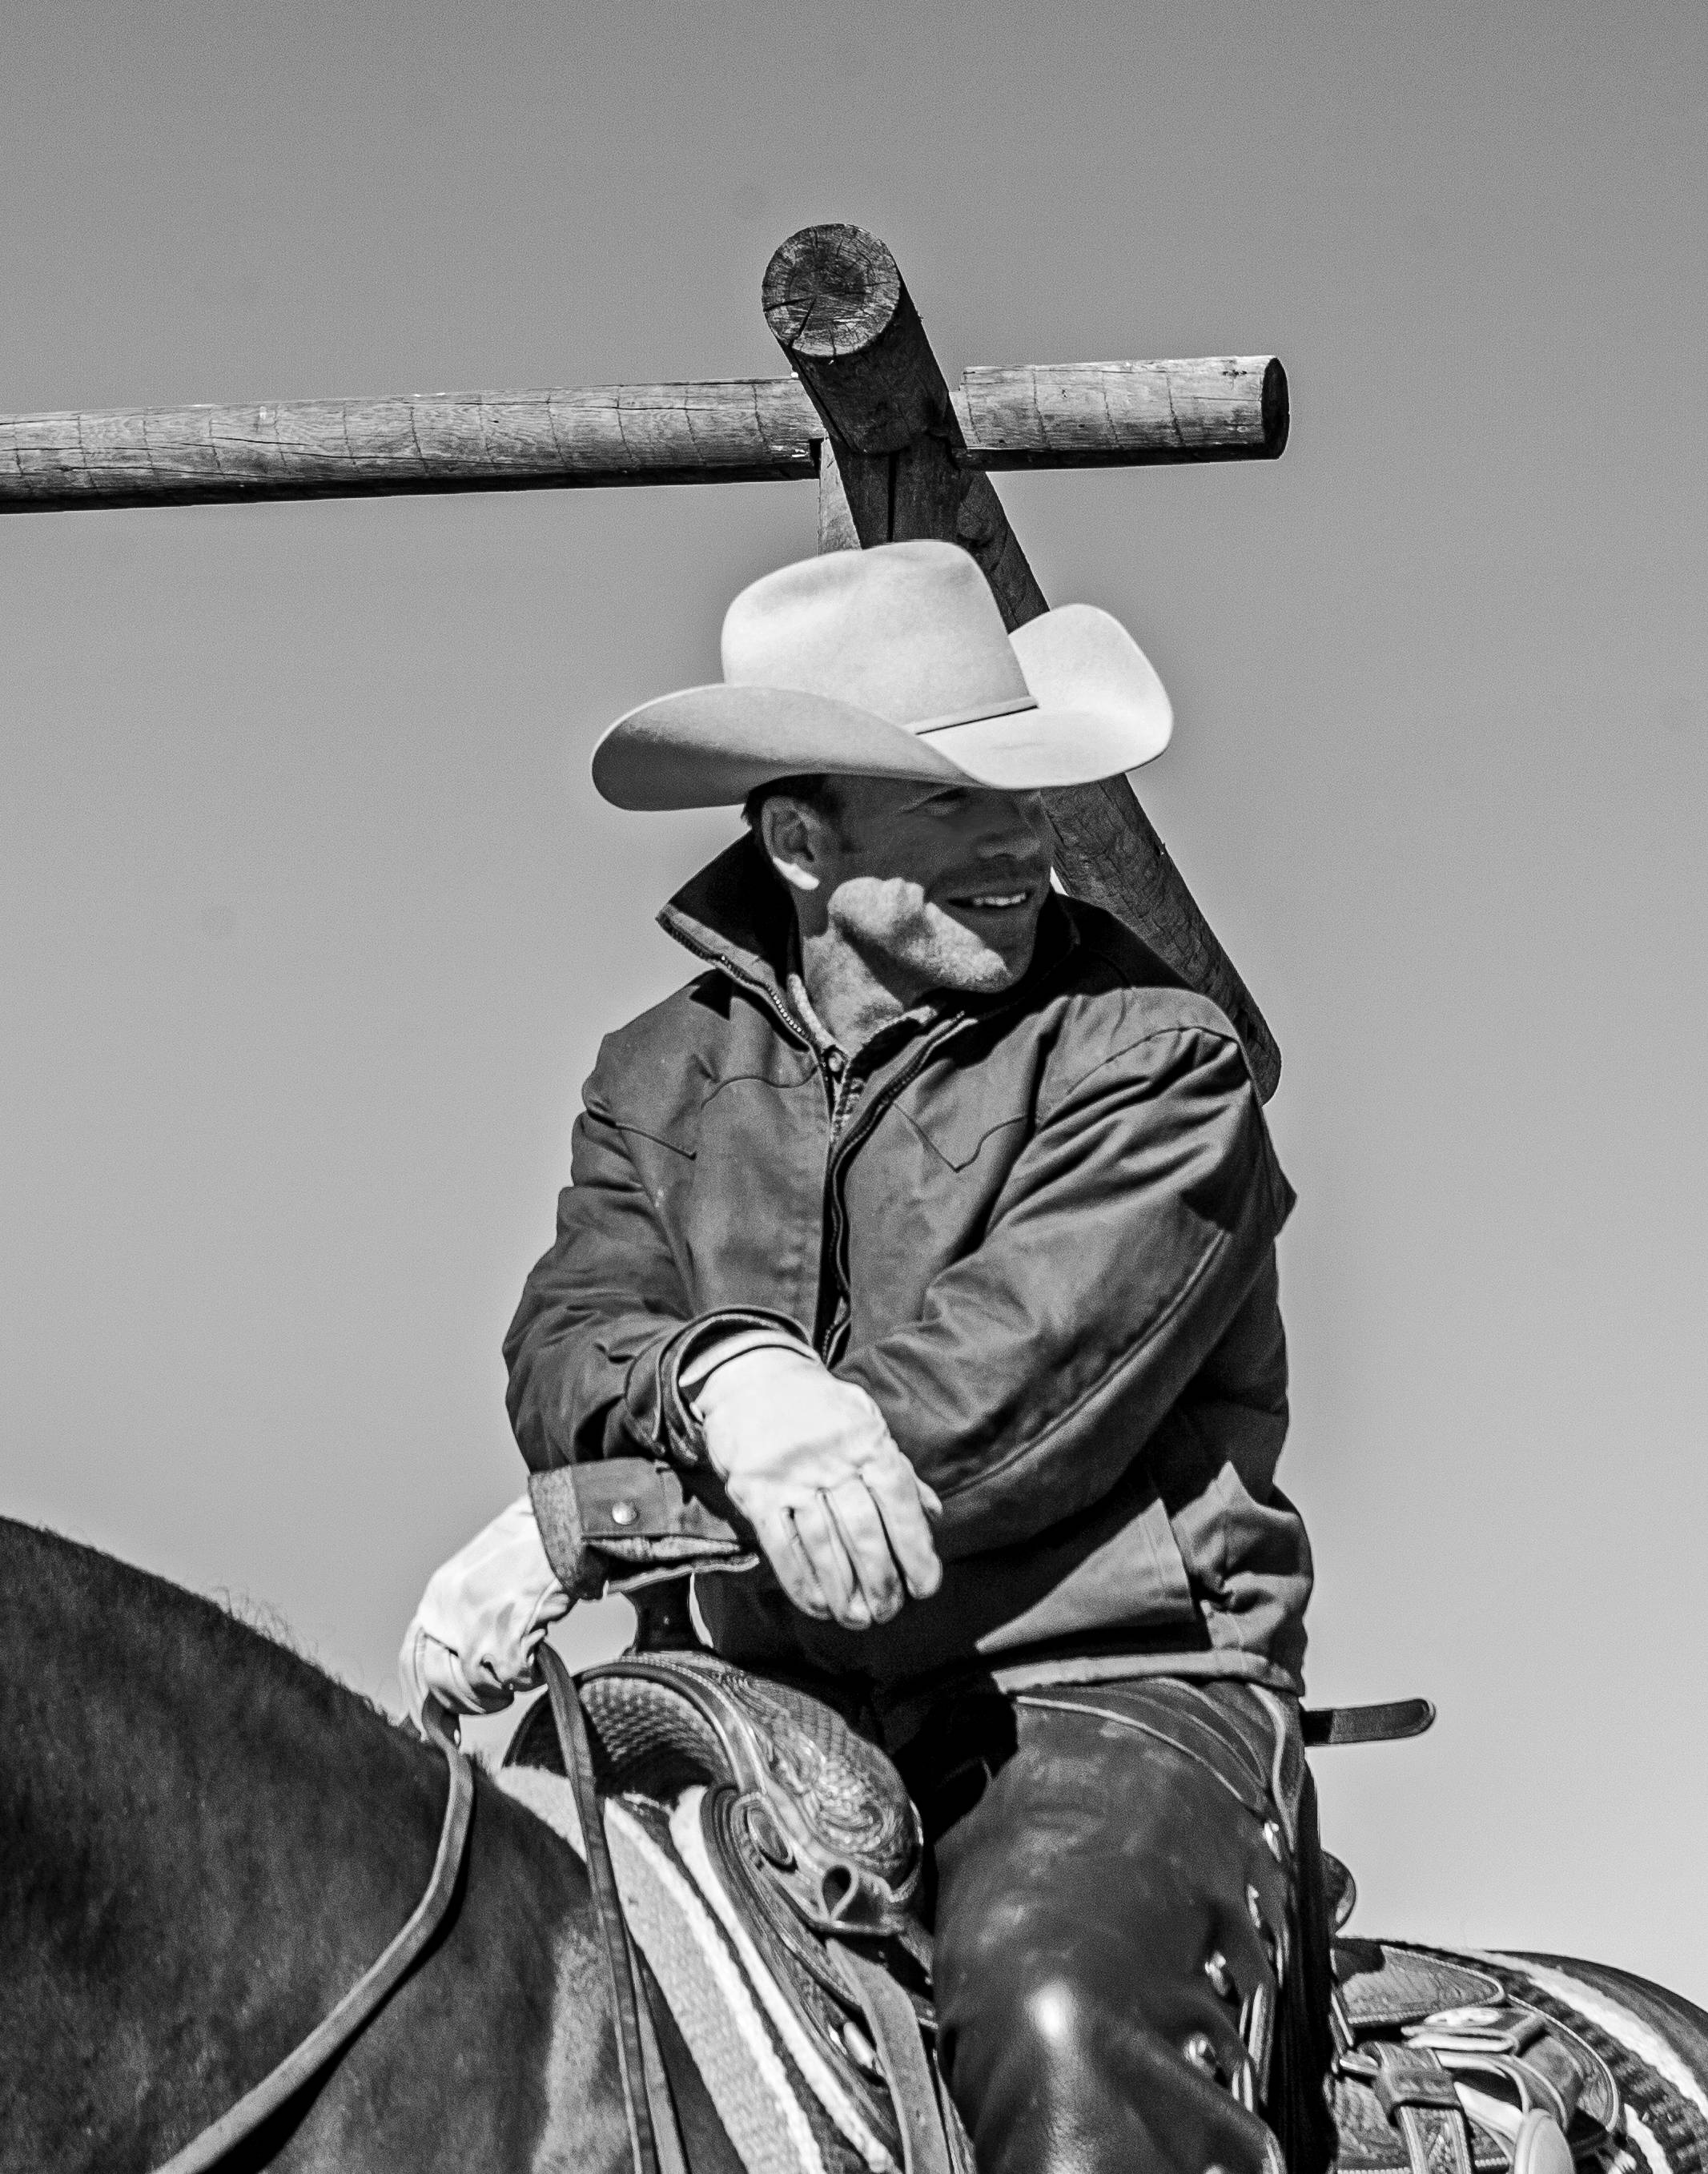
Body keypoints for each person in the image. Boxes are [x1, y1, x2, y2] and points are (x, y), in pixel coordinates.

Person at [400, 540, 1331, 2174]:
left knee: (1058, 2031)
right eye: (957, 799)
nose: (1021, 840)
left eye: (1022, 794)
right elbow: (570, 1344)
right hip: (741, 1696)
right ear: (797, 839)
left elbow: (980, 1421)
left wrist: (588, 1526)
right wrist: (724, 1374)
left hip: (1081, 1690)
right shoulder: (655, 1071)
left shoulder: (1157, 1062)